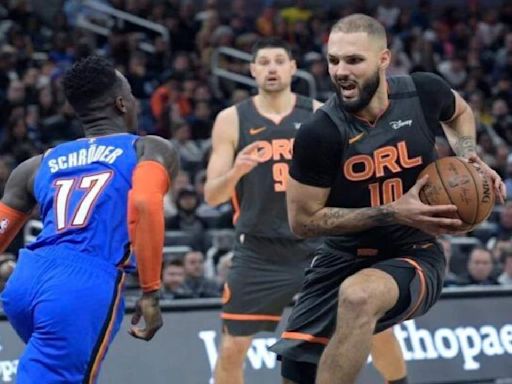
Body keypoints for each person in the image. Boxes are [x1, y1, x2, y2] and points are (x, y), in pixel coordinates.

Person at [269, 14, 506, 384]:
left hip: (414, 252)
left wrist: (468, 156)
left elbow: (459, 113)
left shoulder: (423, 91)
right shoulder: (320, 132)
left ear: (383, 59)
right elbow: (303, 223)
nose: (340, 71)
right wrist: (392, 211)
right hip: (341, 257)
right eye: (333, 61)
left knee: (359, 296)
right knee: (297, 373)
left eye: (354, 60)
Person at [205, 37, 409, 384]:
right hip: (259, 250)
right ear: (252, 70)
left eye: (278, 61)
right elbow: (212, 195)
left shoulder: (319, 113)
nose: (271, 68)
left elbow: (351, 179)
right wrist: (237, 170)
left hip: (319, 244)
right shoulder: (232, 119)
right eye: (264, 62)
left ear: (292, 67)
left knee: (374, 327)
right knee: (231, 349)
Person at [0, 56, 179, 383]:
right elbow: (144, 202)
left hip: (25, 282)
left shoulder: (36, 165)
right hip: (80, 285)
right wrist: (151, 291)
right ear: (122, 104)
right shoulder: (148, 149)